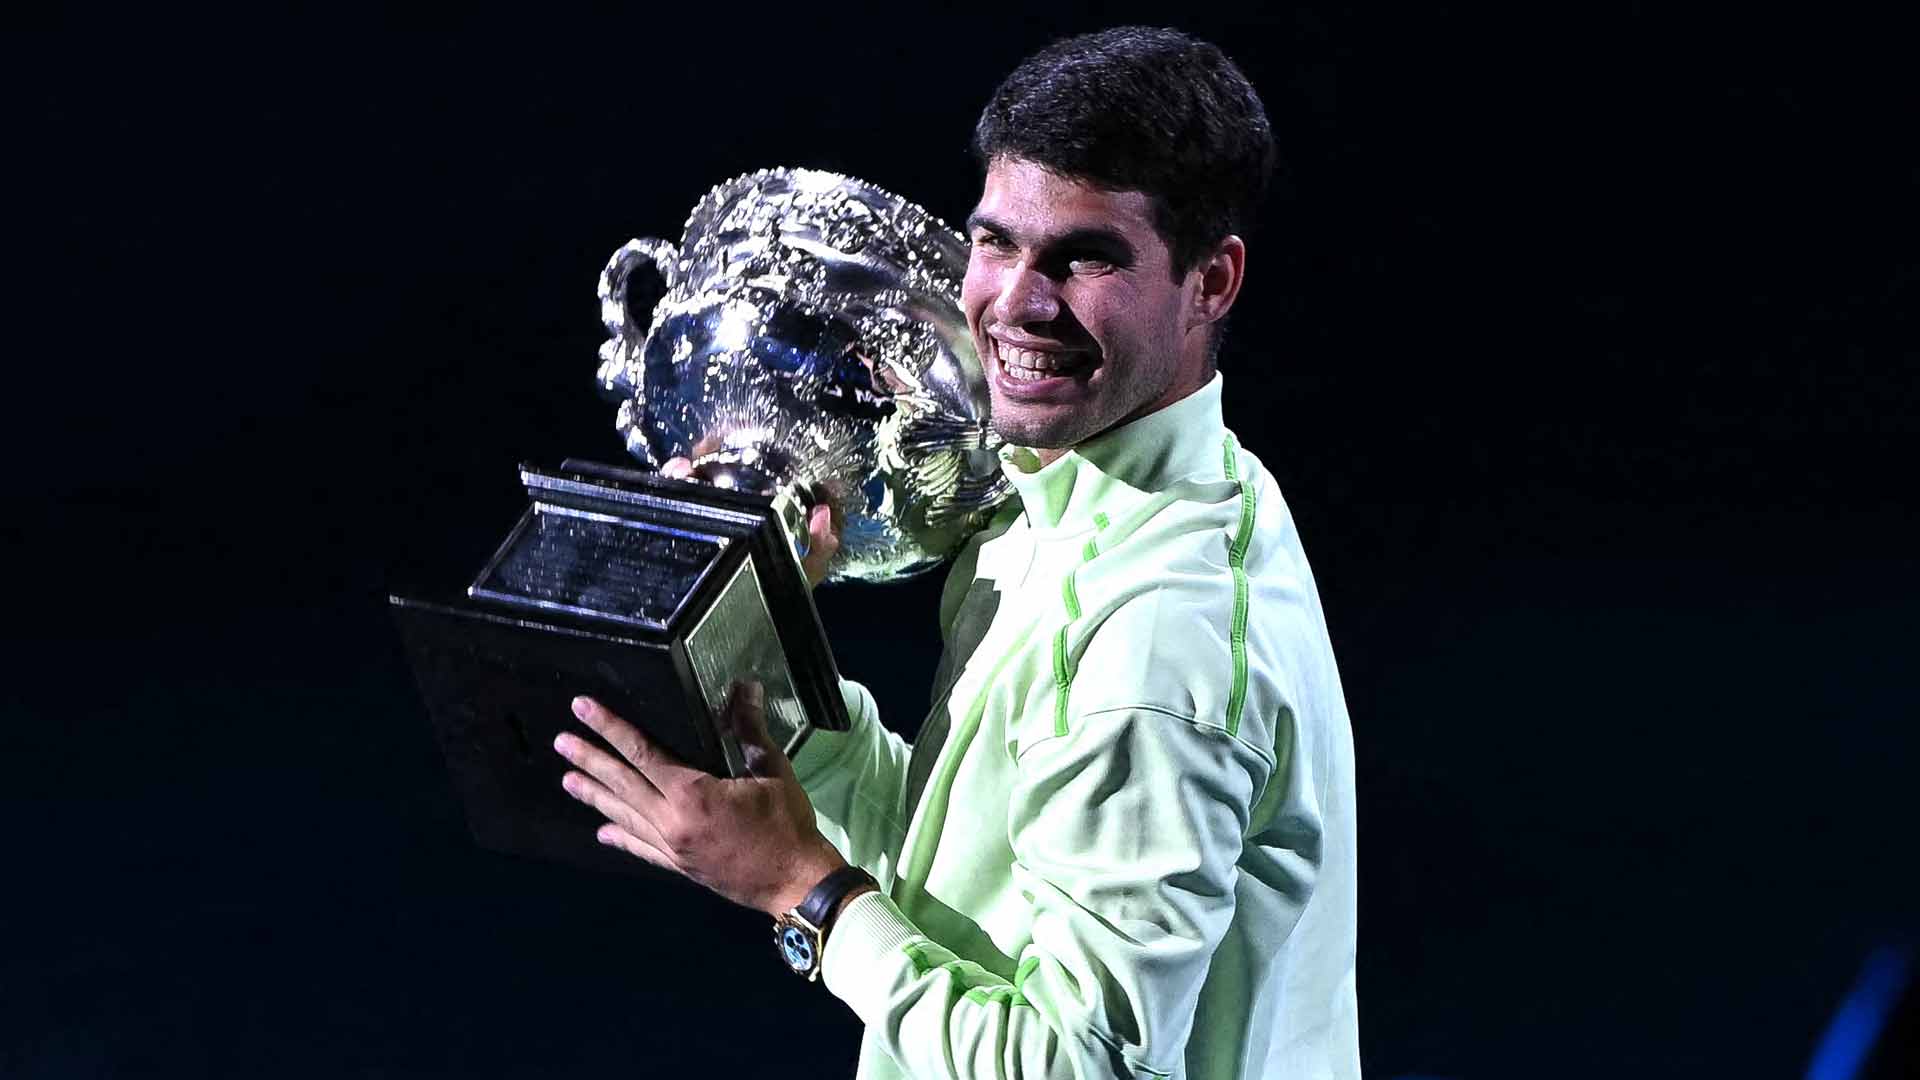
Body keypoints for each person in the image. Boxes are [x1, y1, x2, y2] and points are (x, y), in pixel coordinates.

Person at [551, 26, 1360, 1080]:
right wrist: (764, 659)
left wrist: (805, 892)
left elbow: (1078, 1066)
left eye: (1086, 257)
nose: (1017, 303)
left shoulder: (1157, 641)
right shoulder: (1099, 490)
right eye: (997, 242)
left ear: (1213, 283)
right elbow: (958, 868)